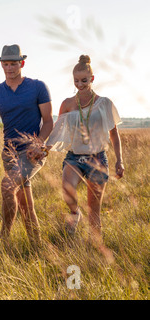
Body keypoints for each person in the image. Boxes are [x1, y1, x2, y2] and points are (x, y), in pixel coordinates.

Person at [45, 55, 124, 244]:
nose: (80, 84)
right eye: (76, 81)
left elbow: (114, 134)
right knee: (67, 188)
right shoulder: (67, 104)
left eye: (84, 80)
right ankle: (75, 213)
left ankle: (95, 246)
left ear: (92, 79)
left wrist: (119, 160)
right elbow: (57, 131)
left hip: (97, 159)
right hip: (74, 157)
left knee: (94, 208)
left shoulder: (104, 104)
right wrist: (44, 149)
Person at [0, 44, 53, 248]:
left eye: (13, 63)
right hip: (9, 154)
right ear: (1, 65)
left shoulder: (37, 87)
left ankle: (2, 239)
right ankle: (37, 246)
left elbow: (49, 121)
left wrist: (37, 143)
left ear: (21, 63)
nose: (9, 67)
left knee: (8, 186)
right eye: (5, 64)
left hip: (33, 153)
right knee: (25, 203)